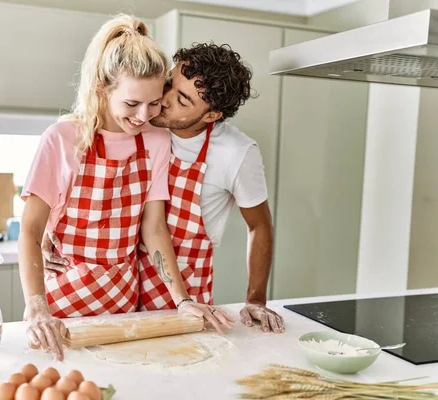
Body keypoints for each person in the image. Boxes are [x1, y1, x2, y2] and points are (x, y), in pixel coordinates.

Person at [19, 15, 234, 361]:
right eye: (131, 104)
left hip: (124, 308)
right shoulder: (62, 139)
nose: (142, 116)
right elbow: (29, 231)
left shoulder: (157, 140)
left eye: (153, 103)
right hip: (62, 310)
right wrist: (37, 309)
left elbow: (154, 227)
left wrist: (182, 299)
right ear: (102, 89)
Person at [140, 42, 285, 334]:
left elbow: (259, 226)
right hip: (123, 283)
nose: (164, 99)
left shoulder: (237, 152)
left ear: (211, 116)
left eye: (182, 100)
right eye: (169, 84)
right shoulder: (140, 121)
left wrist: (255, 300)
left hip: (188, 296)